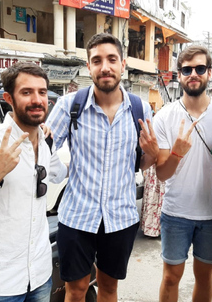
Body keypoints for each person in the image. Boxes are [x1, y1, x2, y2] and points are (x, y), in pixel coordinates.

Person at [46, 33, 159, 302]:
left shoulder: (140, 108)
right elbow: (43, 150)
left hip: (120, 217)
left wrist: (152, 156)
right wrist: (62, 171)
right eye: (97, 60)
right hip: (76, 216)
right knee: (75, 290)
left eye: (111, 59)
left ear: (122, 65)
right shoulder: (70, 105)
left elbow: (141, 162)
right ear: (89, 67)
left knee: (109, 289)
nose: (105, 67)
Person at [0, 62, 68, 301]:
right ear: (8, 97)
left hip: (41, 274)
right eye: (26, 92)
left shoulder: (46, 141)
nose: (37, 99)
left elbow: (60, 173)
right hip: (1, 282)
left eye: (42, 92)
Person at [153, 45, 212, 302]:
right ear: (179, 74)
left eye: (200, 68)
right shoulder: (165, 116)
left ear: (209, 73)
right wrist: (177, 153)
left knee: (204, 277)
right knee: (170, 277)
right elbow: (162, 174)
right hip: (176, 212)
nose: (193, 74)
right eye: (187, 69)